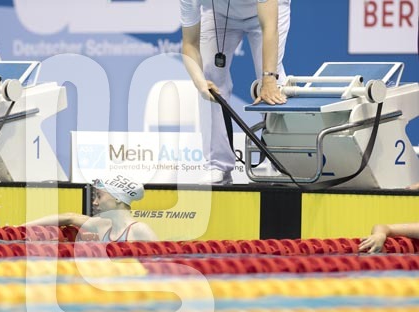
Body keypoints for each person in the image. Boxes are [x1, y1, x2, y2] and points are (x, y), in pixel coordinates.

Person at [181, 0, 290, 184]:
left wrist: (269, 79)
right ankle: (217, 165)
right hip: (218, 14)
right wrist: (200, 82)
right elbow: (189, 43)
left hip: (267, 12)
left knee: (274, 83)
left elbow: (270, 27)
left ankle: (280, 162)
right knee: (210, 79)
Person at [23, 175, 158, 242]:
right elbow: (69, 217)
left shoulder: (139, 230)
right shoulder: (103, 225)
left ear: (117, 198)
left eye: (99, 196)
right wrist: (20, 228)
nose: (94, 202)